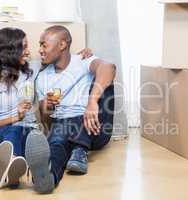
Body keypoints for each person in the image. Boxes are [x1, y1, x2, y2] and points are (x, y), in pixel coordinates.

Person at [0, 27, 92, 190]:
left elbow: (60, 55)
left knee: (31, 138)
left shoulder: (31, 68)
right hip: (1, 132)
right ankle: (13, 164)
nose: (29, 51)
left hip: (29, 131)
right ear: (10, 51)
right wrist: (15, 118)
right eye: (23, 47)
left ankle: (12, 171)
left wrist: (81, 55)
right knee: (14, 130)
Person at [25, 25, 116, 194]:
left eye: (44, 45)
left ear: (62, 45)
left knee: (104, 83)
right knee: (57, 144)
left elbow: (109, 67)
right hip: (63, 127)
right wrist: (47, 107)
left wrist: (92, 102)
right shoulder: (43, 77)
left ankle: (80, 149)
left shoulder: (83, 60)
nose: (40, 50)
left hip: (94, 128)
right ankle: (48, 177)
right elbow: (47, 121)